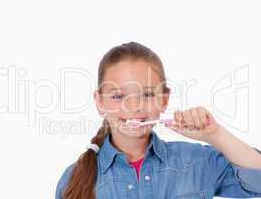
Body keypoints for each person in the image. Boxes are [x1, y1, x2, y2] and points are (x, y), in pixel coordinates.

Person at [55, 42, 261, 199]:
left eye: (146, 95)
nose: (134, 106)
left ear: (164, 100)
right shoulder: (73, 178)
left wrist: (215, 135)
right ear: (99, 101)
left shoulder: (197, 162)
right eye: (118, 96)